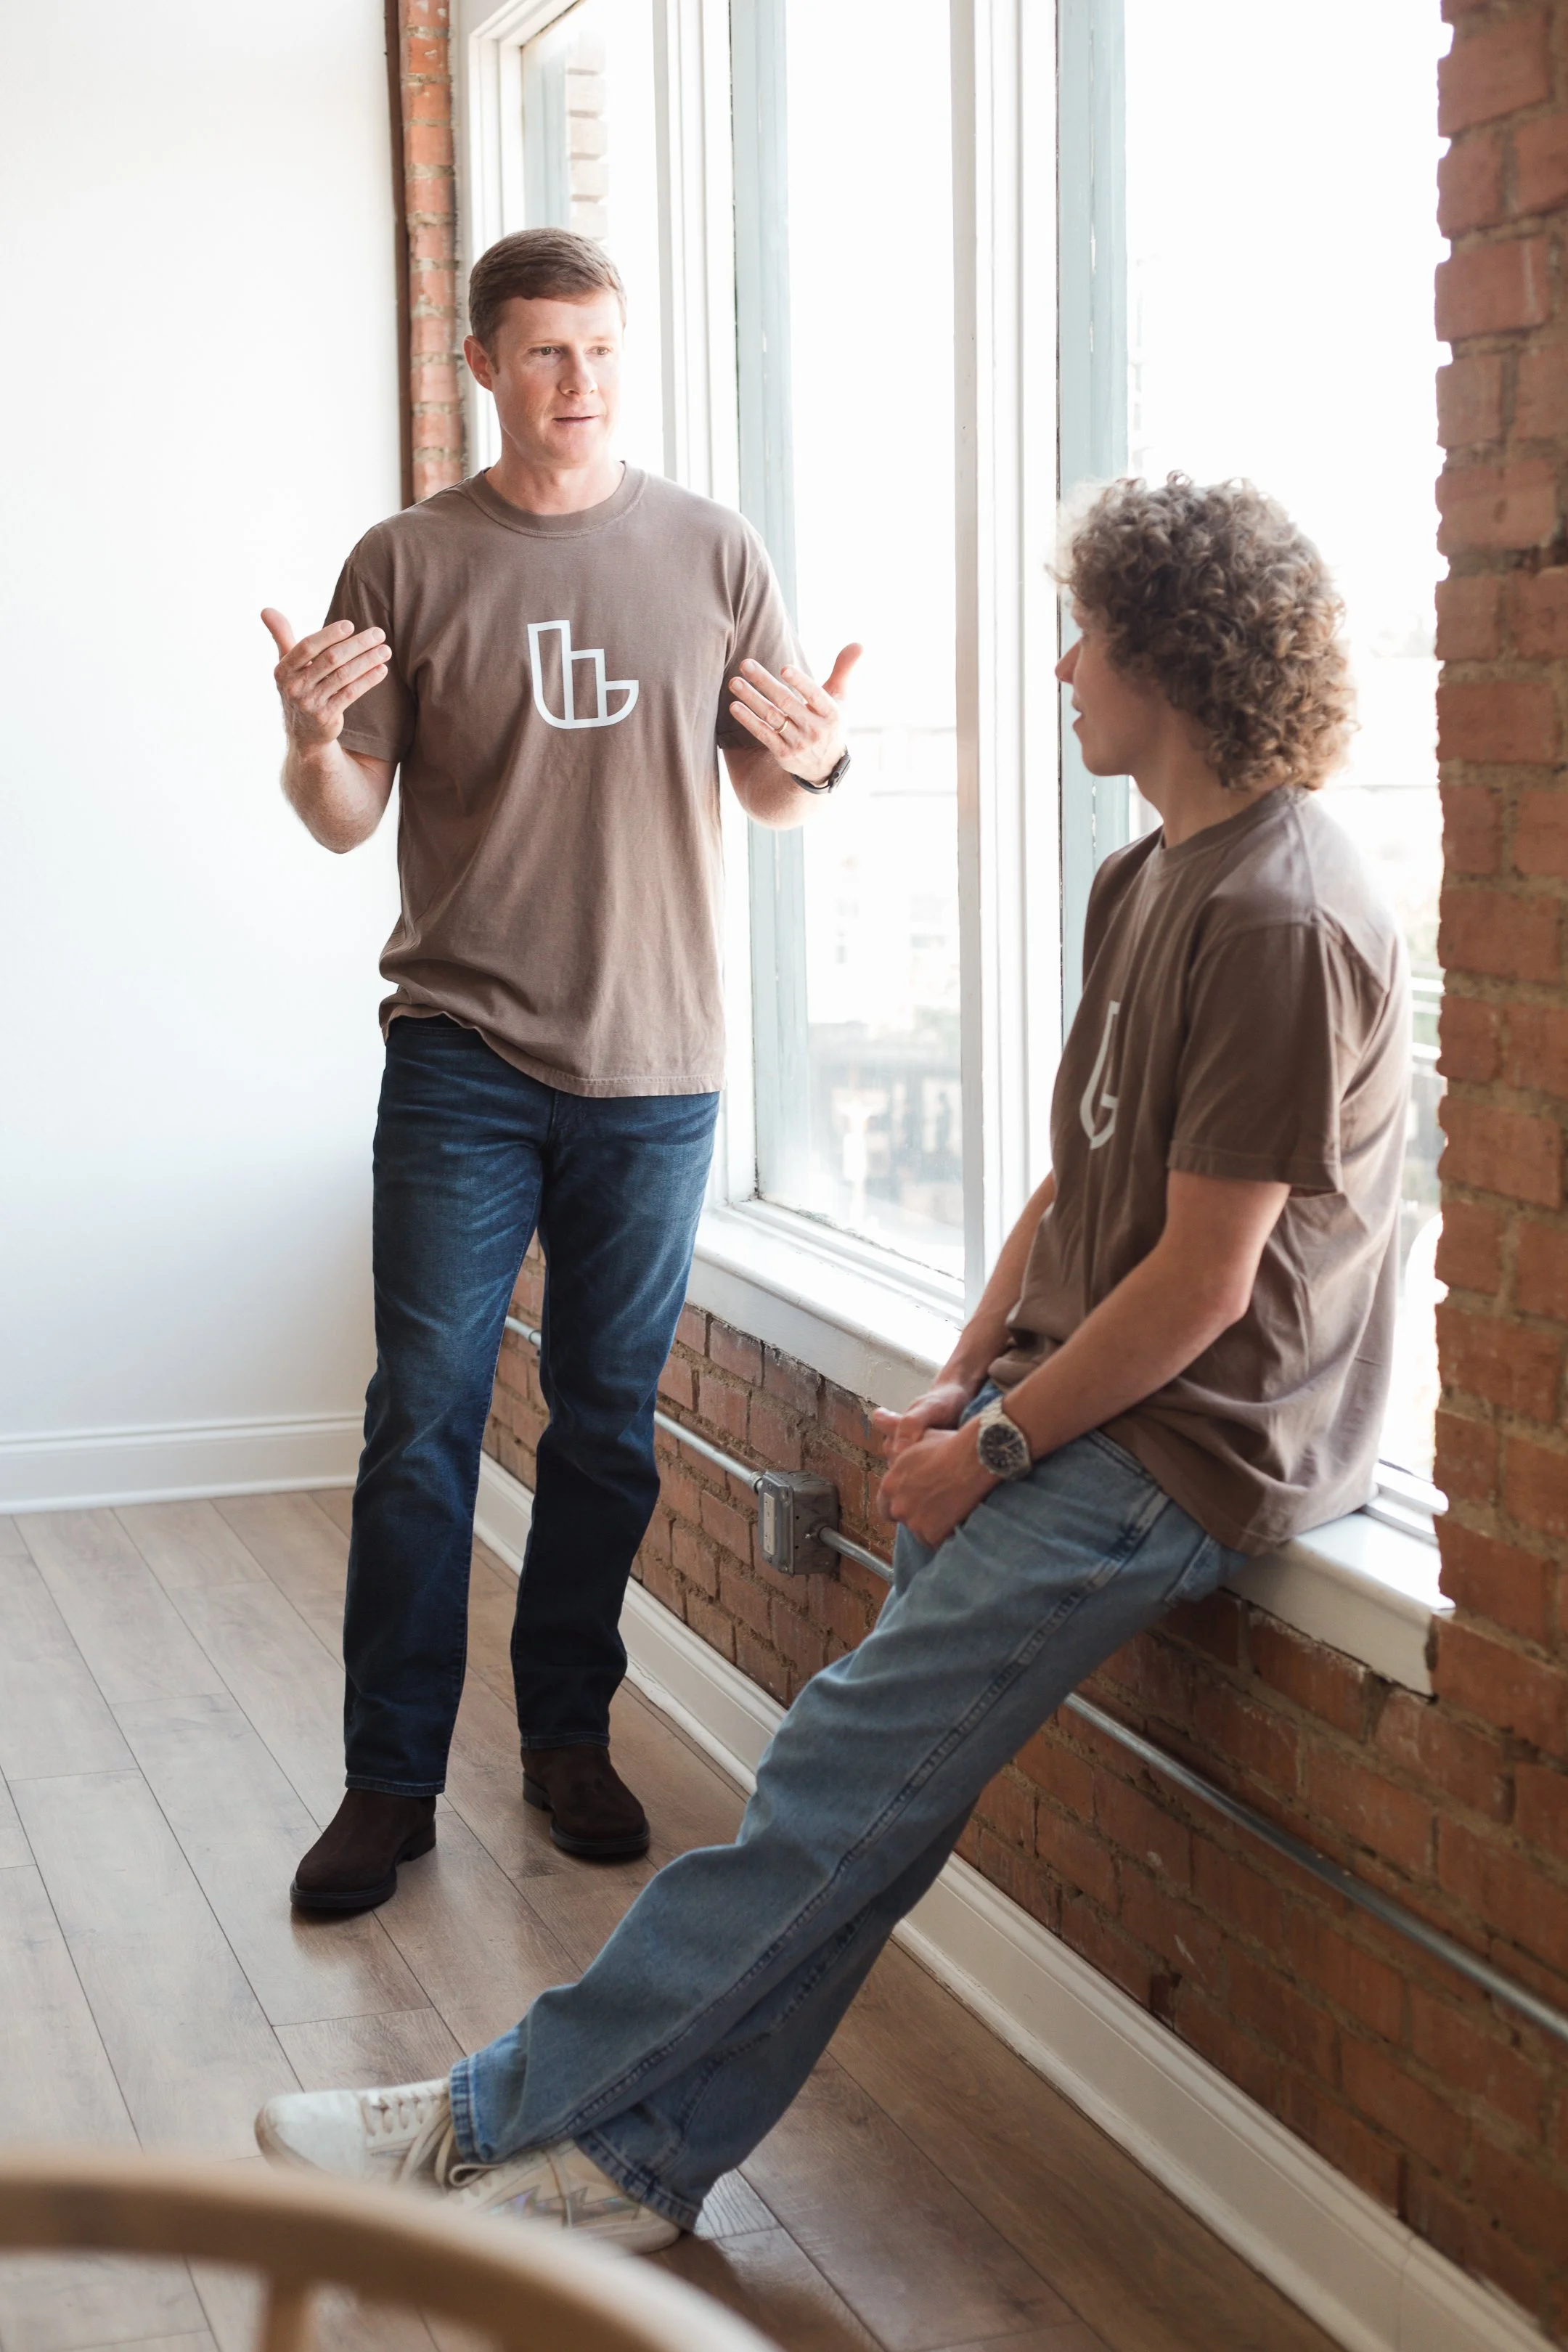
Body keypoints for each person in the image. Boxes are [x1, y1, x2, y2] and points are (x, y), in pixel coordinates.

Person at [256, 474, 1408, 2247]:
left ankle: (488, 2124)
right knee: (855, 1814)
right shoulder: (1151, 876)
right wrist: (967, 1377)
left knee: (817, 1793)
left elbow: (1199, 1288)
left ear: (1168, 660)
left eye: (1083, 638)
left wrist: (1000, 1447)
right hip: (1069, 1407)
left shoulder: (1282, 915)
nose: (1058, 668)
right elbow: (1080, 1182)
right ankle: (639, 2168)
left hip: (1186, 1451)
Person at [261, 228, 859, 1908]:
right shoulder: (406, 557)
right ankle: (388, 1784)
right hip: (461, 1053)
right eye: (542, 353)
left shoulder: (713, 549)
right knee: (424, 1423)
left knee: (605, 1428)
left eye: (599, 348)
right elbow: (344, 819)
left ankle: (568, 1738)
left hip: (658, 1066)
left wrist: (818, 763)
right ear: (483, 368)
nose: (578, 383)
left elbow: (770, 791)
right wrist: (308, 740)